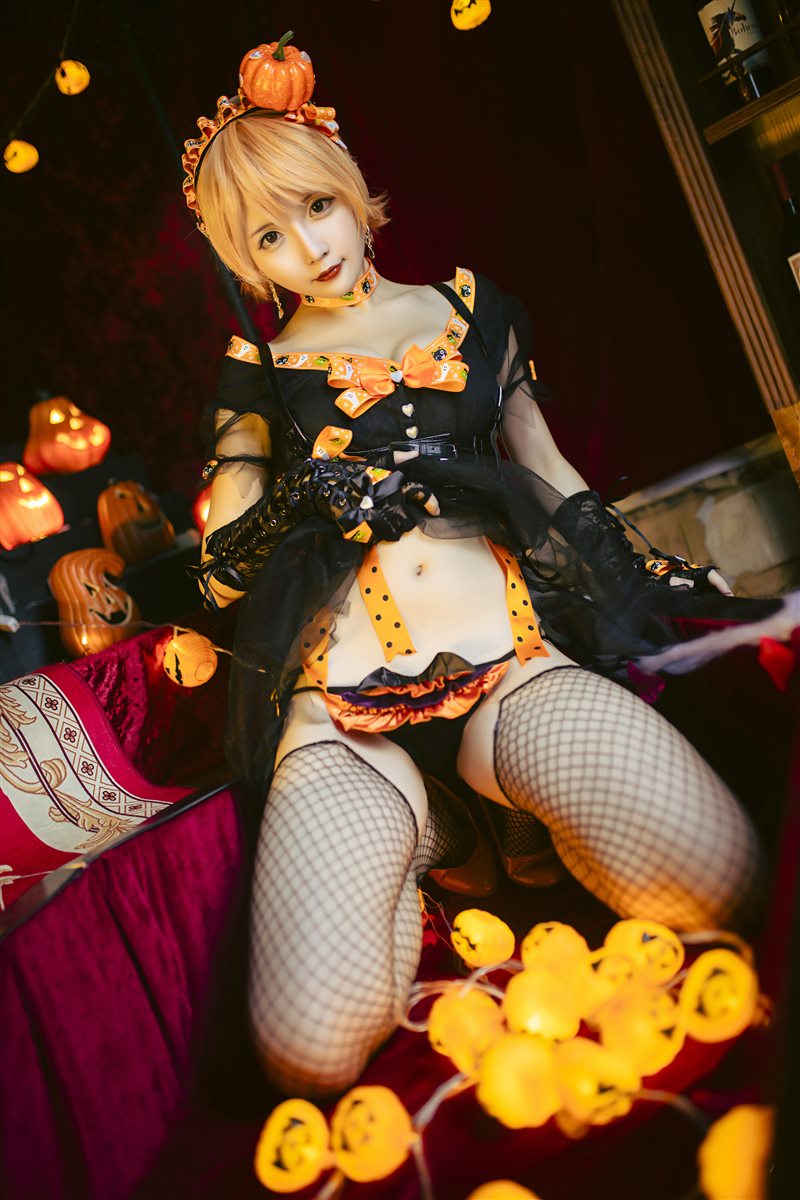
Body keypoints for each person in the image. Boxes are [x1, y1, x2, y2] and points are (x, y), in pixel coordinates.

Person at [183, 36, 766, 1099]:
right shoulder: (255, 371)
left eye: (316, 206)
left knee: (720, 884)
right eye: (268, 235)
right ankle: (437, 835)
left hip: (509, 675)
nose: (307, 245)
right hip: (344, 719)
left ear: (350, 185)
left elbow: (547, 471)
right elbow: (221, 573)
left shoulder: (472, 311)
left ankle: (512, 804)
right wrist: (304, 498)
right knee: (308, 1052)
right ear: (243, 258)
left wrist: (655, 572)